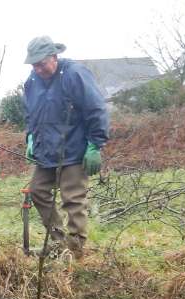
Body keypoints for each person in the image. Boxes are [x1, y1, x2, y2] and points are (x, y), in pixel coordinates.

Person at [22, 36, 109, 257]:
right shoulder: (31, 82)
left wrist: (95, 145)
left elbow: (96, 109)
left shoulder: (74, 74)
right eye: (34, 64)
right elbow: (30, 115)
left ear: (54, 56)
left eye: (42, 63)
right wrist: (31, 138)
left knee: (73, 199)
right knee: (38, 191)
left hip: (74, 150)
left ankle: (75, 249)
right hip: (46, 152)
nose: (38, 69)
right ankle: (58, 241)